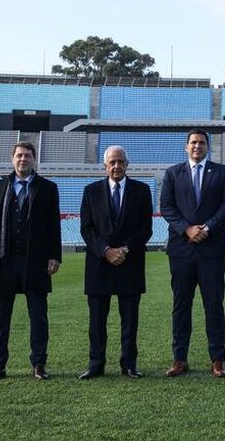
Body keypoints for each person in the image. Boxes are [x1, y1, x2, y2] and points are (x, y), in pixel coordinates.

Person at [0, 141, 61, 381]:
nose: (23, 159)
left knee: (38, 316)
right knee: (0, 317)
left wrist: (54, 255)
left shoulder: (48, 188)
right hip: (4, 260)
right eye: (19, 156)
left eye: (27, 156)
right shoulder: (0, 187)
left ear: (34, 159)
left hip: (35, 261)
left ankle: (39, 364)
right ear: (12, 159)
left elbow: (53, 225)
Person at [160, 129, 225, 378]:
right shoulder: (173, 173)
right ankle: (179, 359)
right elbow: (167, 207)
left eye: (202, 142)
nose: (197, 146)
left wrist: (207, 228)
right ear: (186, 146)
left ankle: (217, 360)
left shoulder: (223, 172)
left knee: (214, 305)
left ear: (207, 146)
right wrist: (187, 229)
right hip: (181, 250)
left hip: (212, 249)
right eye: (193, 142)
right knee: (181, 305)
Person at [78, 145, 153, 380]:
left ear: (127, 164)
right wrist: (106, 251)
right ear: (105, 166)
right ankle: (96, 364)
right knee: (96, 321)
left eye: (120, 162)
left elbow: (146, 229)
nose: (116, 166)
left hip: (130, 263)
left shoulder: (142, 191)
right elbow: (86, 229)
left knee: (130, 321)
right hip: (99, 265)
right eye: (112, 162)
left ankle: (129, 364)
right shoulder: (90, 191)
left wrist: (124, 250)